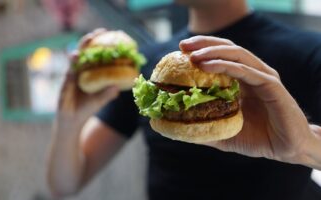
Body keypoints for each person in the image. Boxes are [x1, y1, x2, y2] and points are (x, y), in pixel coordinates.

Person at [47, 0, 321, 199]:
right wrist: (68, 122)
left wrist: (304, 146)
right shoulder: (148, 66)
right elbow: (65, 185)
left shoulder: (310, 51)